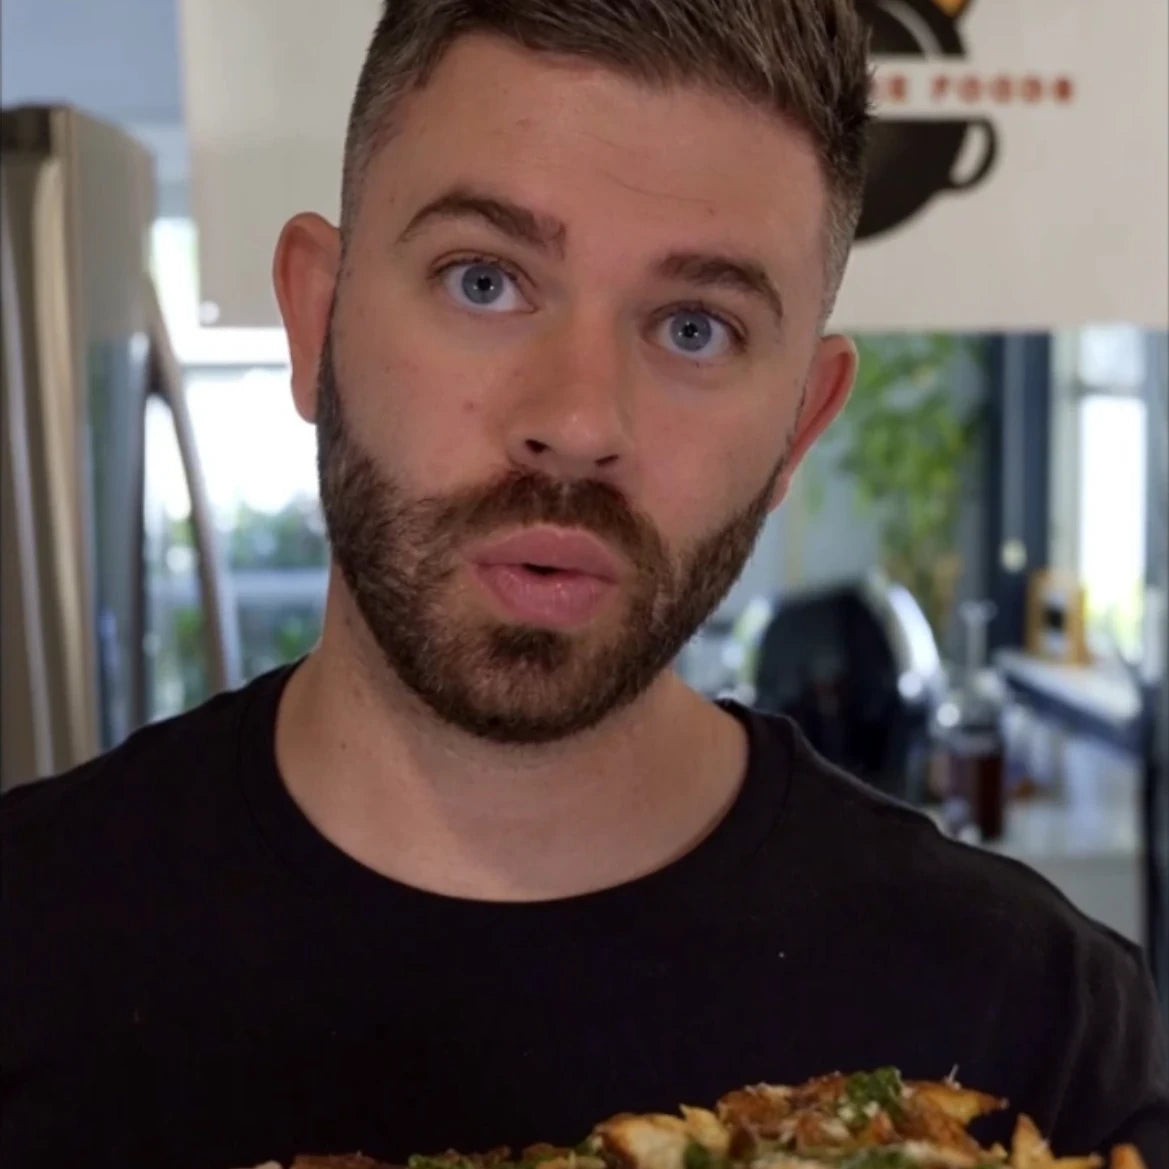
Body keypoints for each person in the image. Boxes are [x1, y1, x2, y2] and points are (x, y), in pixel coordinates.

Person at [2, 2, 1166, 1167]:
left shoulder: (1039, 1042)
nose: (574, 421)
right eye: (482, 281)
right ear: (317, 319)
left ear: (797, 426)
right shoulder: (30, 942)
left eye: (695, 327)